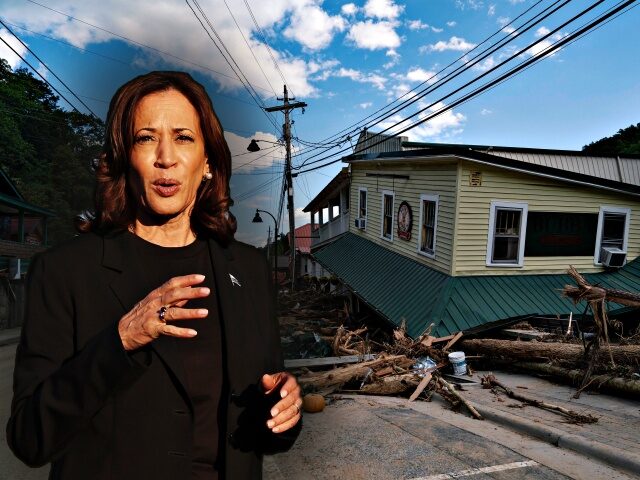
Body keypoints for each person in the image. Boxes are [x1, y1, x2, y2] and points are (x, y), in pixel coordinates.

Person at [7, 71, 302, 479]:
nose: (166, 156)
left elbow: (263, 430)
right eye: (146, 138)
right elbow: (29, 437)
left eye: (183, 137)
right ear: (123, 158)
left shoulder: (248, 270)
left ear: (210, 164)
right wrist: (119, 341)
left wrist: (284, 411)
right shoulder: (64, 271)